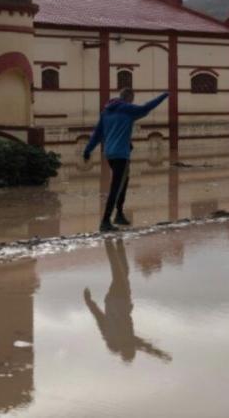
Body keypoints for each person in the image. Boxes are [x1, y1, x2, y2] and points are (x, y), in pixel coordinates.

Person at [84, 88, 169, 232]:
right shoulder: (128, 109)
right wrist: (164, 96)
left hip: (109, 153)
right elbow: (146, 107)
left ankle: (119, 215)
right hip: (121, 154)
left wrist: (87, 150)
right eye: (132, 99)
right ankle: (105, 221)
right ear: (129, 98)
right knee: (116, 186)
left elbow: (97, 134)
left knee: (124, 181)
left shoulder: (106, 112)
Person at [83, 239, 172, 363]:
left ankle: (110, 242)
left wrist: (161, 355)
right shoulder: (111, 337)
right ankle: (117, 243)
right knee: (122, 270)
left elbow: (146, 347)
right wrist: (89, 302)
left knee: (119, 270)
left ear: (127, 350)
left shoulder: (127, 340)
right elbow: (99, 317)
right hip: (112, 300)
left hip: (121, 298)